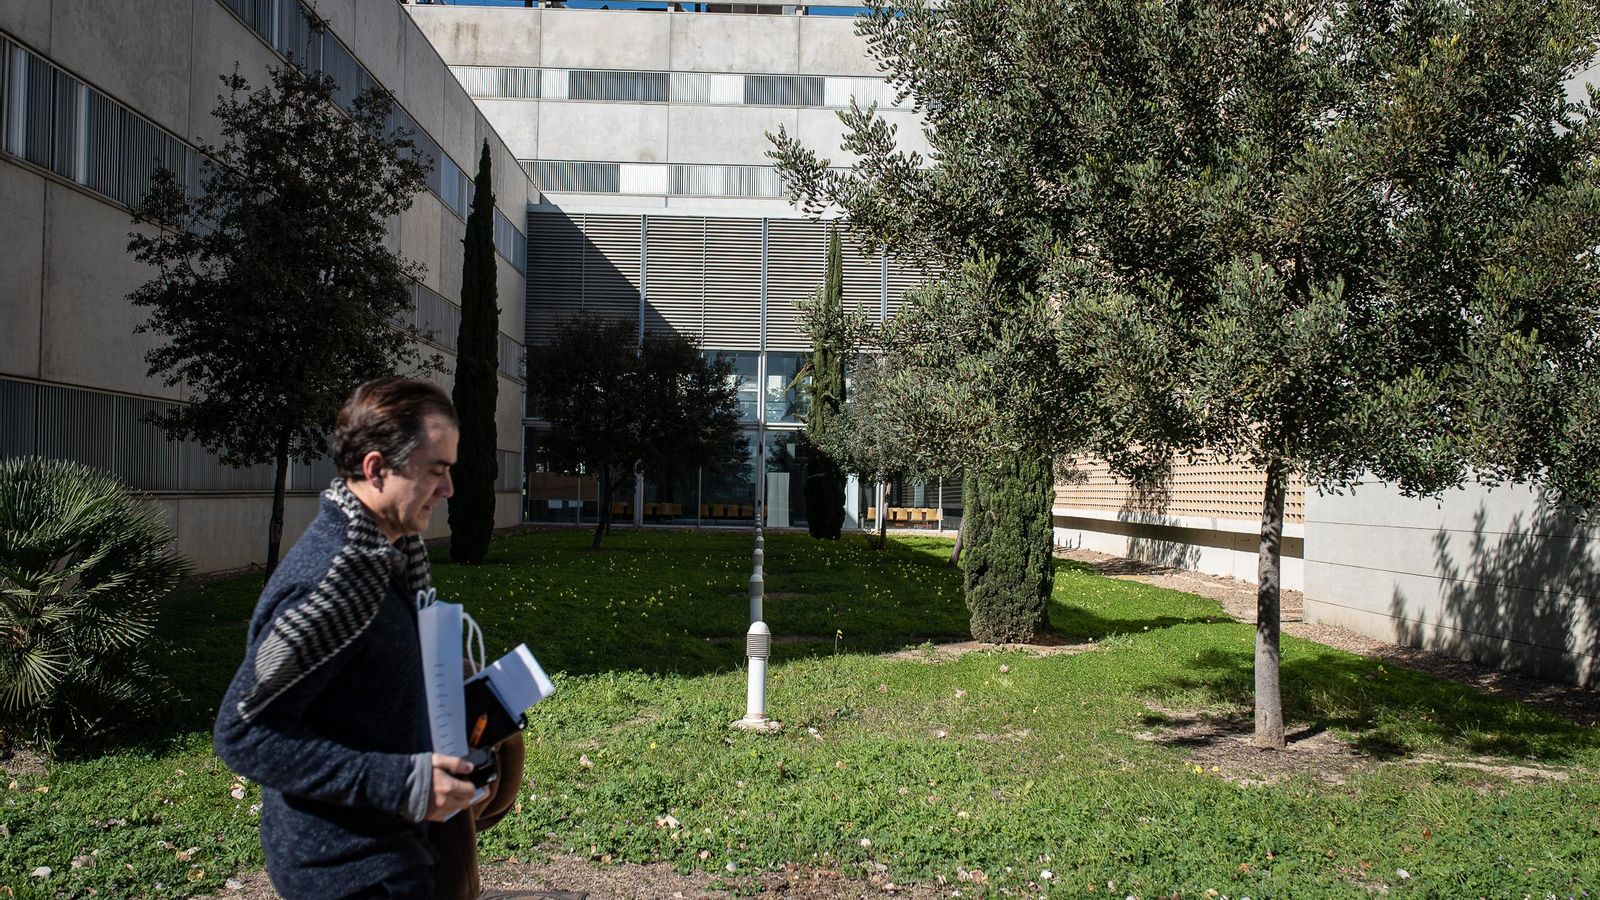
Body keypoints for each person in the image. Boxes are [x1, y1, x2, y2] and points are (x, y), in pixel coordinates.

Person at [215, 376, 478, 899]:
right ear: (376, 468)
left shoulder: (392, 554)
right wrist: (401, 783)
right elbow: (242, 733)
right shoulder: (335, 580)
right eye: (436, 471)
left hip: (390, 849)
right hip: (349, 871)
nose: (449, 490)